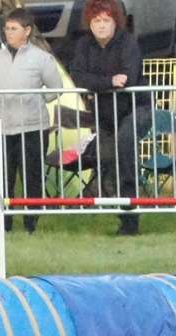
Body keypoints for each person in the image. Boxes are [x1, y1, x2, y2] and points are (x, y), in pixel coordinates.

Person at [66, 0, 148, 235]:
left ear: (115, 22)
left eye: (106, 21)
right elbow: (78, 76)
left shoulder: (128, 43)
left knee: (124, 146)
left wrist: (99, 82)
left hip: (135, 109)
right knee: (109, 158)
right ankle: (122, 210)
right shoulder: (83, 45)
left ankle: (131, 221)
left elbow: (129, 78)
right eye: (96, 21)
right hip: (104, 114)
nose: (101, 26)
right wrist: (109, 82)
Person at [0, 7, 58, 232]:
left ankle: (31, 222)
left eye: (14, 29)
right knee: (4, 177)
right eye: (6, 28)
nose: (8, 33)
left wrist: (35, 100)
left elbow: (55, 88)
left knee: (31, 176)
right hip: (3, 128)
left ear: (27, 30)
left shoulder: (42, 59)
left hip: (33, 127)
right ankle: (4, 222)